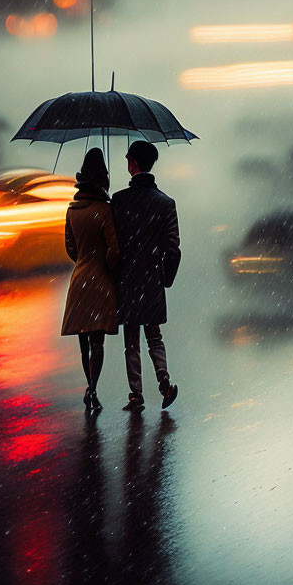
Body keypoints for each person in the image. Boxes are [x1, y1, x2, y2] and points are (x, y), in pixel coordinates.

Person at [111, 140, 180, 411]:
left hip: (127, 279)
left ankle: (136, 394)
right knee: (154, 335)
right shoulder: (165, 203)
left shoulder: (118, 201)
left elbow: (112, 244)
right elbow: (173, 248)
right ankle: (163, 380)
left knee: (131, 339)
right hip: (151, 278)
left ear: (134, 164)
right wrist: (165, 278)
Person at [61, 147, 120, 411]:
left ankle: (90, 387)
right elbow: (114, 250)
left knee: (83, 342)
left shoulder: (72, 210)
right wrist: (107, 265)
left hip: (79, 280)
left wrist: (84, 260)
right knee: (98, 342)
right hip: (100, 282)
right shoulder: (105, 210)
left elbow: (70, 248)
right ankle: (94, 388)